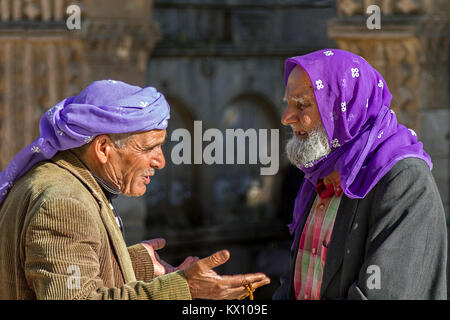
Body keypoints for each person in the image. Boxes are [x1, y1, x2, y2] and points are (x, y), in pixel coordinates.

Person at [0, 80, 270, 299]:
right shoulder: (64, 203)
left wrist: (133, 263)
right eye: (149, 148)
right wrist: (184, 287)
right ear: (104, 148)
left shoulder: (69, 183)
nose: (161, 161)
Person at [273, 49, 447, 300]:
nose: (287, 118)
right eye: (288, 103)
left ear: (342, 108)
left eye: (301, 105)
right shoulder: (321, 173)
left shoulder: (404, 181)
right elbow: (298, 285)